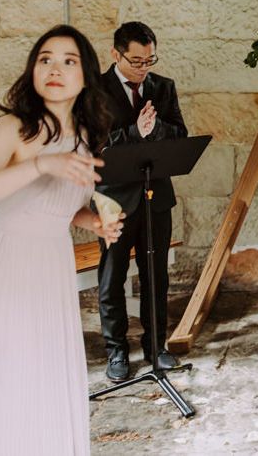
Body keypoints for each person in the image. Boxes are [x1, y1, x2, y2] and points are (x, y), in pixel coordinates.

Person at [0, 25, 123, 455]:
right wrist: (41, 164)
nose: (54, 69)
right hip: (9, 261)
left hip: (52, 264)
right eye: (45, 59)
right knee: (10, 369)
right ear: (32, 69)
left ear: (86, 76)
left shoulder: (85, 137)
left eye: (68, 61)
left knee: (46, 368)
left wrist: (93, 222)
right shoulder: (12, 128)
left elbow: (59, 207)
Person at [97, 21, 188, 382]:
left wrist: (157, 129)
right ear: (115, 54)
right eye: (136, 61)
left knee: (156, 276)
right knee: (112, 277)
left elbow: (180, 134)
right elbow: (95, 145)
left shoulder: (163, 87)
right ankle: (116, 351)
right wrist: (136, 133)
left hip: (156, 197)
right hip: (113, 200)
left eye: (149, 60)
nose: (143, 68)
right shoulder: (94, 91)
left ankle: (156, 347)